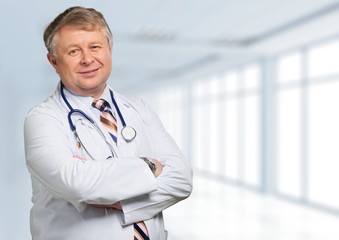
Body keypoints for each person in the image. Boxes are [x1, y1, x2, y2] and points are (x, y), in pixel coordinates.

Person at [24, 6, 193, 240]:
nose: (87, 59)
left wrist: (116, 199)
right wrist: (150, 167)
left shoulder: (138, 109)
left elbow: (182, 180)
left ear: (109, 49)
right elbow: (76, 183)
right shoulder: (43, 119)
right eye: (73, 51)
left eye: (95, 47)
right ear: (53, 61)